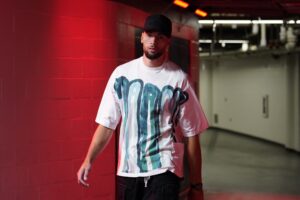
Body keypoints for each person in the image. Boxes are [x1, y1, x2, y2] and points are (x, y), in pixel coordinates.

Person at [77, 14, 209, 200]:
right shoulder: (121, 75)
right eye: (150, 34)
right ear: (142, 37)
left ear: (167, 42)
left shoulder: (179, 79)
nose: (154, 41)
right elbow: (107, 125)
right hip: (128, 172)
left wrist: (196, 185)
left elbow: (191, 133)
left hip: (165, 169)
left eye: (160, 37)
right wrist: (88, 160)